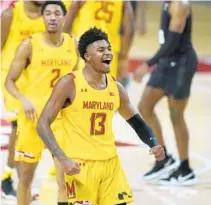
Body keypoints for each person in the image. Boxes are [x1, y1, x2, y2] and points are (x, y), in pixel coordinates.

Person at [36, 27, 165, 205]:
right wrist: (62, 158)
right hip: (79, 167)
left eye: (109, 48)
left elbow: (137, 122)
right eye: (101, 50)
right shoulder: (69, 83)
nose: (108, 53)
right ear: (87, 56)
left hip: (110, 166)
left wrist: (153, 143)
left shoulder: (116, 88)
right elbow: (42, 124)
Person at [5, 1, 78, 205]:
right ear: (43, 17)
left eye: (57, 13)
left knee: (66, 178)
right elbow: (9, 81)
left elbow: (79, 81)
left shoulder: (73, 44)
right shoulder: (29, 44)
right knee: (26, 179)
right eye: (48, 13)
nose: (52, 17)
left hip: (61, 120)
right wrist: (23, 99)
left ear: (64, 17)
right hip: (33, 119)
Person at [134, 0, 197, 185]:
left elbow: (172, 43)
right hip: (167, 62)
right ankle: (163, 158)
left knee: (176, 115)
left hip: (182, 64)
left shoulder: (180, 4)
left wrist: (148, 64)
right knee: (144, 107)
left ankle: (185, 169)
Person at [63, 0, 134, 87]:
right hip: (109, 50)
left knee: (81, 90)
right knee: (107, 91)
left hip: (85, 48)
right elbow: (129, 31)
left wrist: (63, 44)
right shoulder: (124, 2)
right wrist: (123, 56)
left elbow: (67, 23)